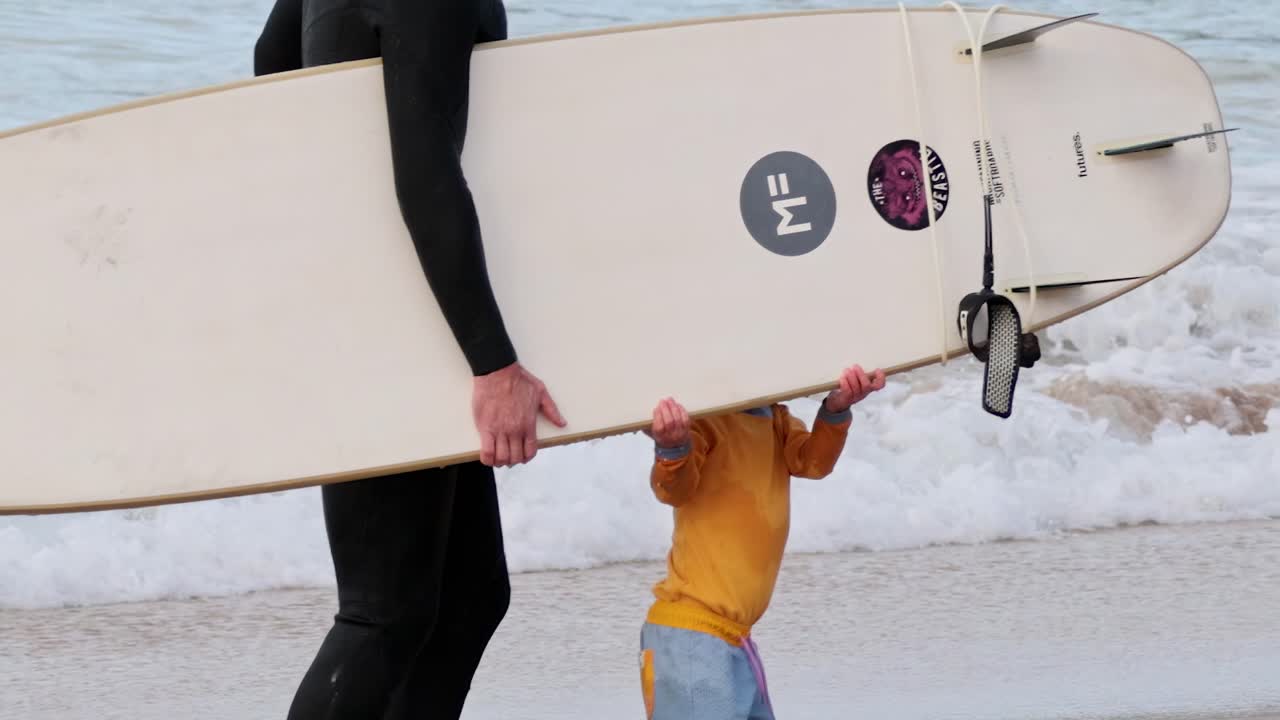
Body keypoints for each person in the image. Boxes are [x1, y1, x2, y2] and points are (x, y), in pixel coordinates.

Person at [252, 1, 566, 718]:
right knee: (383, 613)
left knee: (466, 600)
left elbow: (272, 70)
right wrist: (494, 366)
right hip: (405, 323)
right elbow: (425, 170)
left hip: (400, 313)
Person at [638, 365, 886, 720]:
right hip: (690, 639)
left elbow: (813, 461)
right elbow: (673, 490)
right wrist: (673, 447)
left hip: (734, 640)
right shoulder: (706, 424)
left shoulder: (776, 420)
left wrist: (836, 407)